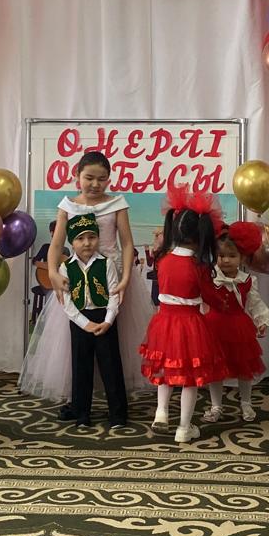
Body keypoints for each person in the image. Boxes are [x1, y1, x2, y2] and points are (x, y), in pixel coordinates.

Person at [19, 152, 153, 400]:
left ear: (108, 180)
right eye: (89, 177)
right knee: (78, 339)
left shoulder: (117, 204)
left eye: (101, 179)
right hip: (78, 277)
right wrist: (52, 273)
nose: (95, 184)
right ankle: (79, 400)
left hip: (112, 277)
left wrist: (125, 278)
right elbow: (56, 245)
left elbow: (126, 244)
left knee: (112, 340)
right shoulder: (67, 206)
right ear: (77, 176)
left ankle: (115, 400)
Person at [139, 185, 226, 444]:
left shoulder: (163, 260)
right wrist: (222, 302)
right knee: (190, 379)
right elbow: (209, 296)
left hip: (163, 323)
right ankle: (183, 428)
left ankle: (161, 413)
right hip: (190, 325)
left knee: (165, 371)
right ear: (201, 235)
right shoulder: (198, 266)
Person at [58, 213, 127, 428]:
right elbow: (67, 302)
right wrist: (84, 323)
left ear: (98, 238)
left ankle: (118, 413)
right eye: (80, 238)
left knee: (111, 365)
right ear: (71, 242)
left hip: (104, 318)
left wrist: (108, 321)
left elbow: (114, 294)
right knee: (81, 366)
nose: (86, 243)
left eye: (91, 237)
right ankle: (82, 413)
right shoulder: (65, 267)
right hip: (80, 321)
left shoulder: (106, 264)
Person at [201, 223, 269, 424]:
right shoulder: (210, 278)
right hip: (214, 328)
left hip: (239, 328)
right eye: (221, 256)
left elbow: (255, 302)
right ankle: (216, 405)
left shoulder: (247, 280)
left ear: (242, 258)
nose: (225, 260)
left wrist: (262, 320)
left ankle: (246, 402)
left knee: (244, 368)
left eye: (232, 256)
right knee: (216, 370)